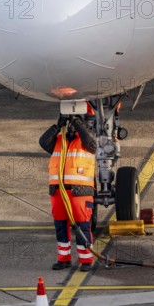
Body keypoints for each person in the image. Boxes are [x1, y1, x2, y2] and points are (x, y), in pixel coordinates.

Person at [39, 112, 97, 272]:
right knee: (60, 225)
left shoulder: (86, 141)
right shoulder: (58, 141)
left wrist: (78, 123)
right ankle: (63, 259)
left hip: (80, 192)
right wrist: (57, 126)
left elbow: (92, 143)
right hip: (58, 191)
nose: (70, 126)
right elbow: (43, 142)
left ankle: (86, 259)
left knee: (82, 225)